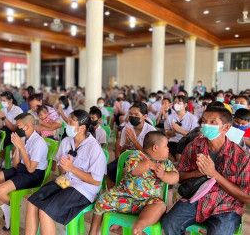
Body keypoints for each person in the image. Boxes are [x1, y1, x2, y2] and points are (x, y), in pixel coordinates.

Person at [162, 106, 250, 235]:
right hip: (196, 198)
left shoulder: (241, 156)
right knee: (170, 223)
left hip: (227, 205)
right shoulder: (194, 147)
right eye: (204, 121)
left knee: (219, 232)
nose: (206, 125)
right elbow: (178, 176)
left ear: (226, 127)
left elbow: (246, 197)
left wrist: (214, 174)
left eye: (212, 122)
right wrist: (197, 173)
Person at [25, 110, 106, 235]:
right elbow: (62, 170)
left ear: (82, 127)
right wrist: (63, 167)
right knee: (32, 202)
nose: (67, 124)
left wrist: (72, 168)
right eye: (67, 121)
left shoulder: (94, 148)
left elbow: (95, 181)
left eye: (70, 122)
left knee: (45, 212)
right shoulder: (66, 141)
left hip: (83, 190)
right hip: (65, 182)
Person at [89, 131, 179, 235]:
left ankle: (140, 224)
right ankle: (94, 231)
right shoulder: (135, 155)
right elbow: (133, 169)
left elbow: (175, 177)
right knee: (102, 199)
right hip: (125, 198)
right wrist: (149, 164)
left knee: (161, 206)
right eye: (166, 146)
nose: (168, 149)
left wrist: (163, 175)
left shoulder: (165, 163)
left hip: (148, 202)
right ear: (155, 147)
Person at [0, 113, 48, 231]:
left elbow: (31, 169)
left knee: (0, 189)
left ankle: (12, 208)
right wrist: (18, 148)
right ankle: (8, 209)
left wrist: (22, 148)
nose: (16, 128)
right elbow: (15, 164)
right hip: (21, 169)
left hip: (34, 174)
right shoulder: (23, 139)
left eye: (18, 126)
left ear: (27, 126)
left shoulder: (38, 142)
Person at [107, 103, 156, 187]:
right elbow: (122, 151)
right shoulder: (127, 129)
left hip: (144, 161)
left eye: (136, 114)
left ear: (145, 116)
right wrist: (127, 142)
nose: (133, 117)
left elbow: (148, 155)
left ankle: (127, 194)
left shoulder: (151, 131)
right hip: (128, 157)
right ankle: (114, 195)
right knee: (107, 170)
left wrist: (133, 140)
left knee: (126, 172)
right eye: (130, 114)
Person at [165, 95, 199, 162]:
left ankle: (178, 169)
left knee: (179, 155)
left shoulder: (192, 118)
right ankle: (174, 169)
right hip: (173, 142)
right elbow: (167, 134)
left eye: (179, 102)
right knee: (167, 154)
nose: (176, 104)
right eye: (175, 102)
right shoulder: (170, 117)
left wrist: (179, 130)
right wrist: (174, 131)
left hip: (186, 142)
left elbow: (194, 136)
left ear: (185, 105)